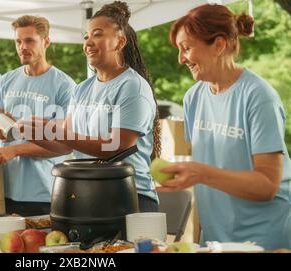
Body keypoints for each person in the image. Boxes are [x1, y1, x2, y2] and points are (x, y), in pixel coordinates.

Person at [160, 4, 291, 249]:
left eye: (186, 48)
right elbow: (211, 166)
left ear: (219, 45)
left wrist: (201, 173)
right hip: (214, 239)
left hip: (263, 240)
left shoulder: (259, 96)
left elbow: (267, 185)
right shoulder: (193, 97)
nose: (181, 59)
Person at [17, 1, 162, 212]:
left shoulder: (132, 86)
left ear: (120, 42)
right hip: (88, 194)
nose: (89, 42)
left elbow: (116, 146)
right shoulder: (82, 89)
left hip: (130, 197)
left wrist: (53, 130)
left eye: (98, 34)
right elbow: (66, 145)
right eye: (86, 37)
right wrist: (29, 132)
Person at [0, 15, 76, 216]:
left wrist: (16, 149)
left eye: (30, 40)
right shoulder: (5, 81)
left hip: (42, 192)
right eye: (18, 41)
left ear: (46, 42)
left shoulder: (65, 86)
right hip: (3, 189)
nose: (22, 46)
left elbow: (64, 144)